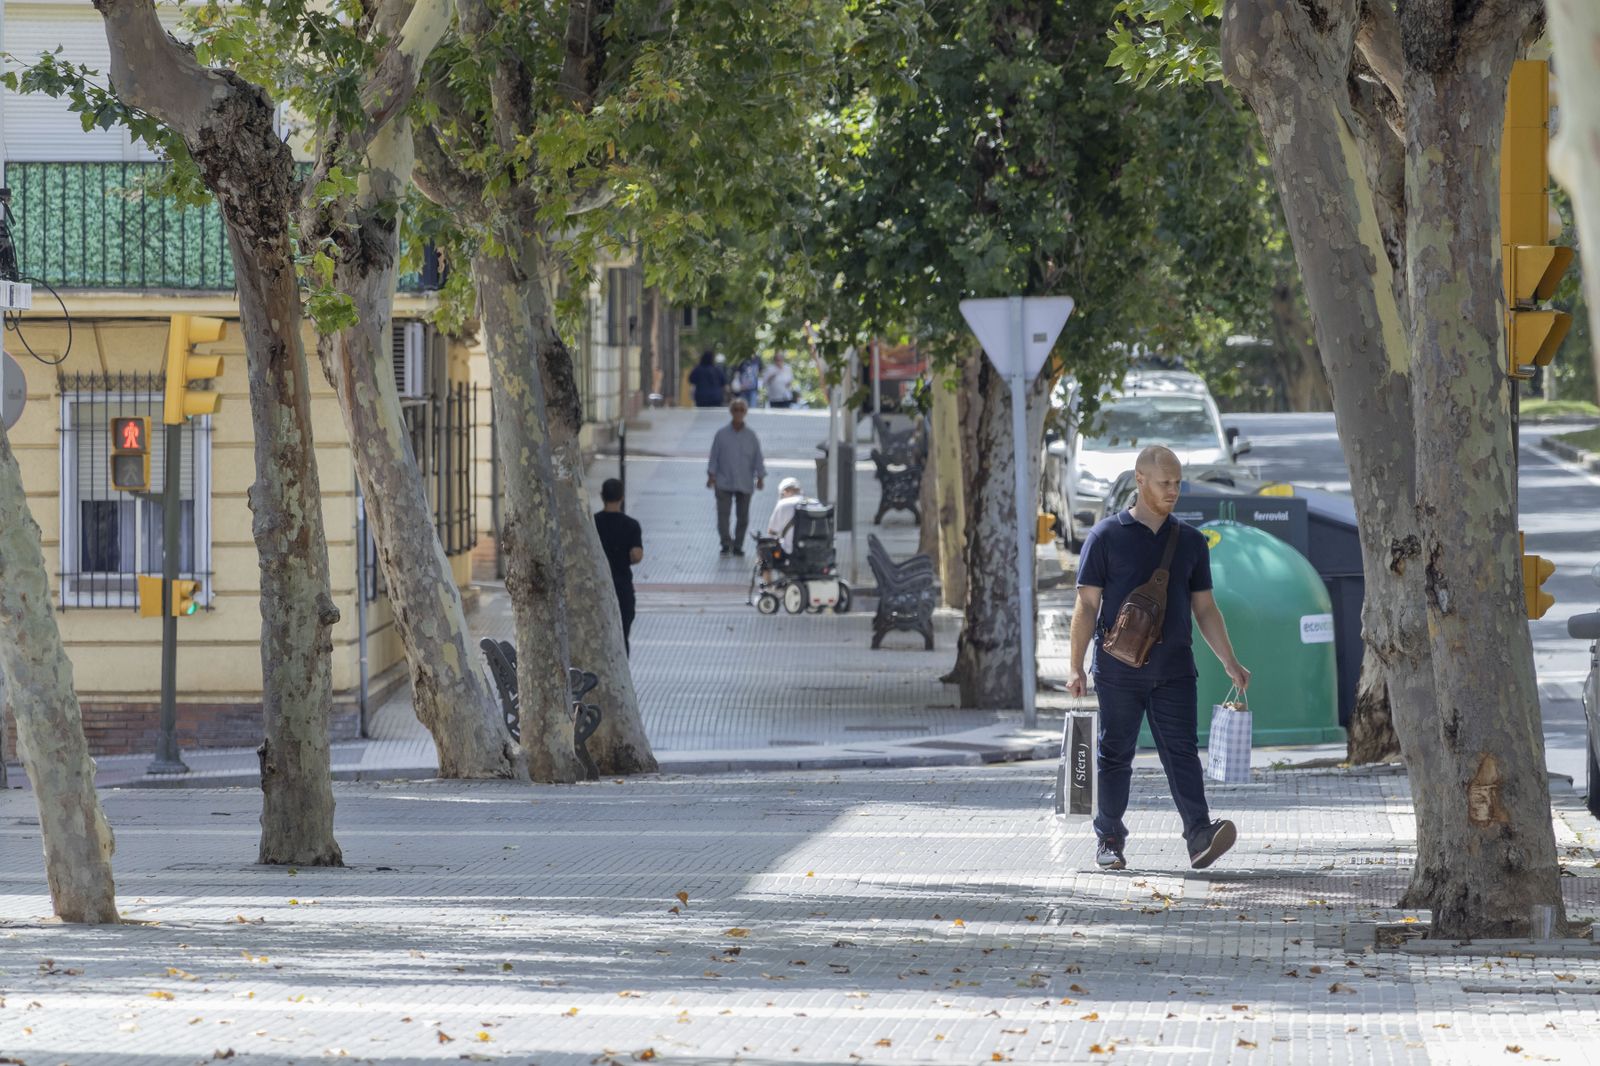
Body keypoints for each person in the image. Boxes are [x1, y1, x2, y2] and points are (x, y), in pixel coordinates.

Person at [1067, 444, 1251, 873]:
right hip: (1117, 670)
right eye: (1165, 483)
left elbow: (1205, 609)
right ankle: (1109, 839)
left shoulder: (1191, 541)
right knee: (1115, 754)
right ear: (1140, 480)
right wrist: (1075, 666)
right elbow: (1087, 605)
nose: (1173, 491)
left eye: (1178, 483)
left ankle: (1199, 836)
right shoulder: (1105, 537)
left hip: (1175, 670)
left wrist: (1229, 661)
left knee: (1182, 752)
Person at [707, 398, 766, 555]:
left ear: (745, 412)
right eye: (736, 410)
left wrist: (760, 477)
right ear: (731, 412)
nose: (739, 413)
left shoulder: (751, 436)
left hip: (745, 481)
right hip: (723, 480)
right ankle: (726, 543)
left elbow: (758, 458)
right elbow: (714, 456)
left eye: (742, 410)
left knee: (743, 517)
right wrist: (711, 475)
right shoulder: (721, 435)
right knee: (723, 515)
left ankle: (738, 545)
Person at [593, 478, 643, 654]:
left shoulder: (593, 523)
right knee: (622, 635)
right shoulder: (631, 525)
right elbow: (637, 555)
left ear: (602, 496)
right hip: (622, 587)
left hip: (598, 587)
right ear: (622, 497)